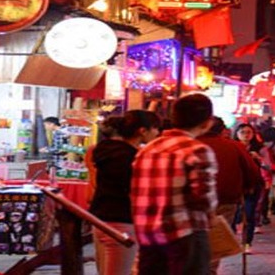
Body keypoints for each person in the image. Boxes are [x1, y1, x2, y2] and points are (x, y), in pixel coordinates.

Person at [132, 94, 218, 274]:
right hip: (184, 233)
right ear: (207, 122)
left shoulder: (147, 150)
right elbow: (203, 197)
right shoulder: (197, 150)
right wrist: (212, 215)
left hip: (148, 233)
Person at [90, 110, 162, 275]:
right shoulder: (130, 158)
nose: (157, 133)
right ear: (142, 131)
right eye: (155, 129)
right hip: (122, 221)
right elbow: (135, 192)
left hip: (100, 218)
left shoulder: (106, 150)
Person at [200, 117, 260, 260]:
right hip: (225, 199)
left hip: (195, 201)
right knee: (214, 242)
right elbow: (252, 172)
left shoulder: (190, 145)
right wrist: (248, 187)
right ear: (223, 130)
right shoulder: (234, 146)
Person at [232, 123, 266, 249]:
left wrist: (258, 158)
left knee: (249, 213)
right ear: (237, 134)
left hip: (253, 185)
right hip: (235, 185)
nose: (246, 135)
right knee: (233, 214)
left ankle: (247, 242)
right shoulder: (232, 147)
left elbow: (268, 166)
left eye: (249, 132)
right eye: (243, 132)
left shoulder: (259, 148)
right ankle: (233, 240)